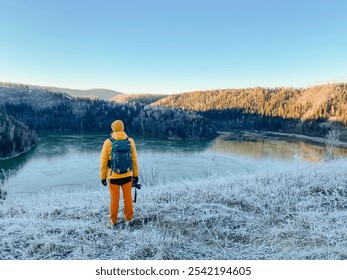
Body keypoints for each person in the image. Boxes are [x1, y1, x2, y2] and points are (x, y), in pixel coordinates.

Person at [100, 120, 139, 228]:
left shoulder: (108, 142)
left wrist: (103, 177)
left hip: (114, 177)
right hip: (127, 175)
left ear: (113, 129)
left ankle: (113, 221)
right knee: (128, 199)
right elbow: (134, 160)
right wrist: (135, 175)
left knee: (114, 200)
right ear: (122, 127)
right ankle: (129, 219)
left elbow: (103, 162)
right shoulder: (130, 141)